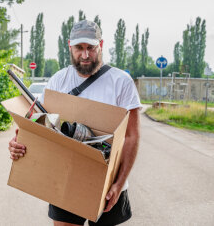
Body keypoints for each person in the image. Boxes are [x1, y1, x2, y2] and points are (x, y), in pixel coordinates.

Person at [8, 20, 141, 226]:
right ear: (70, 45)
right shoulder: (58, 80)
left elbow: (131, 135)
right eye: (79, 48)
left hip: (109, 183)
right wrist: (19, 141)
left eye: (91, 48)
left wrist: (119, 183)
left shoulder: (121, 81)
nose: (85, 55)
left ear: (101, 45)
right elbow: (38, 123)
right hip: (66, 178)